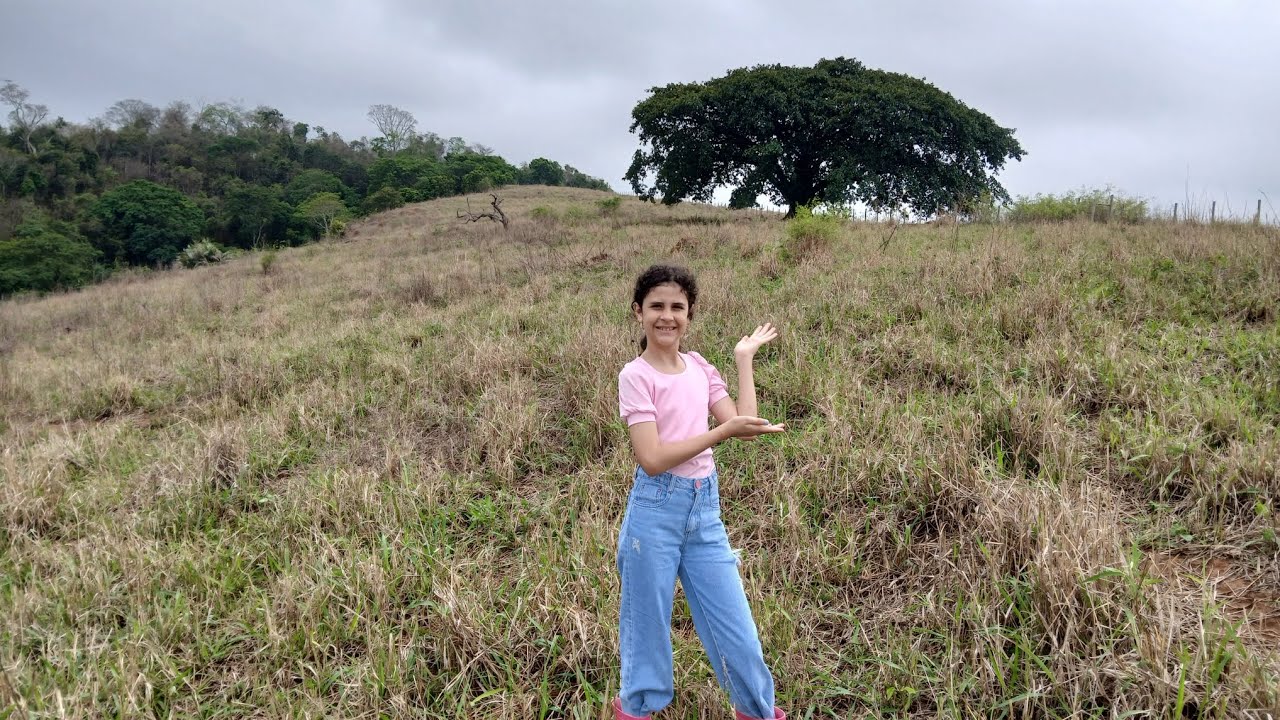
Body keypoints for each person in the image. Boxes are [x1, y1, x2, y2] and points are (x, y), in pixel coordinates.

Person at [613, 264, 787, 720]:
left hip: (704, 509)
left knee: (737, 630)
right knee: (646, 630)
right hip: (655, 510)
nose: (667, 316)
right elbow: (652, 458)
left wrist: (743, 359)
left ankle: (756, 711)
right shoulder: (635, 375)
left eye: (678, 307)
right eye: (656, 306)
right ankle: (637, 710)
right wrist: (719, 433)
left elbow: (744, 424)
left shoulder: (700, 366)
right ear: (638, 312)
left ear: (689, 315)